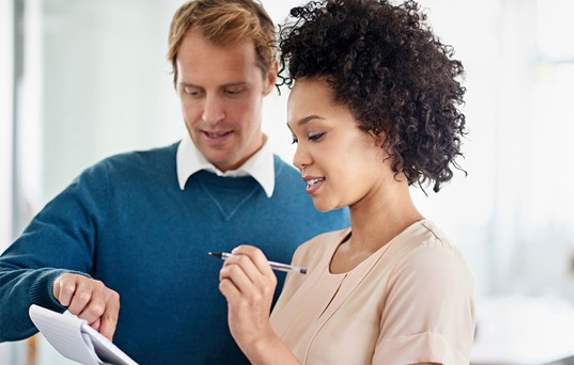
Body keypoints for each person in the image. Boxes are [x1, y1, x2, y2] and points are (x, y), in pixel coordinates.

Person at [0, 0, 348, 363]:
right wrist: (53, 286)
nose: (211, 115)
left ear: (270, 77)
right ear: (175, 78)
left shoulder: (327, 209)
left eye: (232, 91)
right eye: (193, 91)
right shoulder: (110, 189)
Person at [218, 0, 476, 364]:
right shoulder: (310, 255)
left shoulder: (429, 267)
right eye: (296, 139)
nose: (298, 158)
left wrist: (259, 338)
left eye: (316, 134)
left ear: (381, 129)